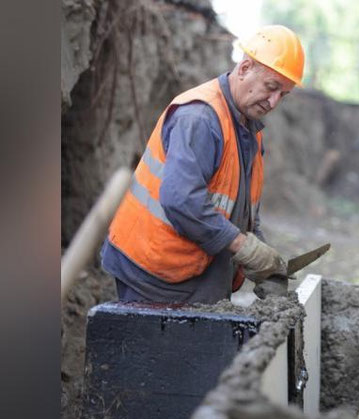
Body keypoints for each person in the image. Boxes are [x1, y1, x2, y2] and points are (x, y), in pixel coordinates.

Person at [100, 25, 305, 304]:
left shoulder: (247, 128)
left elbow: (239, 205)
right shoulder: (200, 118)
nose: (274, 101)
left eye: (283, 94)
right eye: (271, 87)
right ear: (244, 68)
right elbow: (182, 201)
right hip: (154, 270)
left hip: (190, 266)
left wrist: (261, 260)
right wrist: (244, 247)